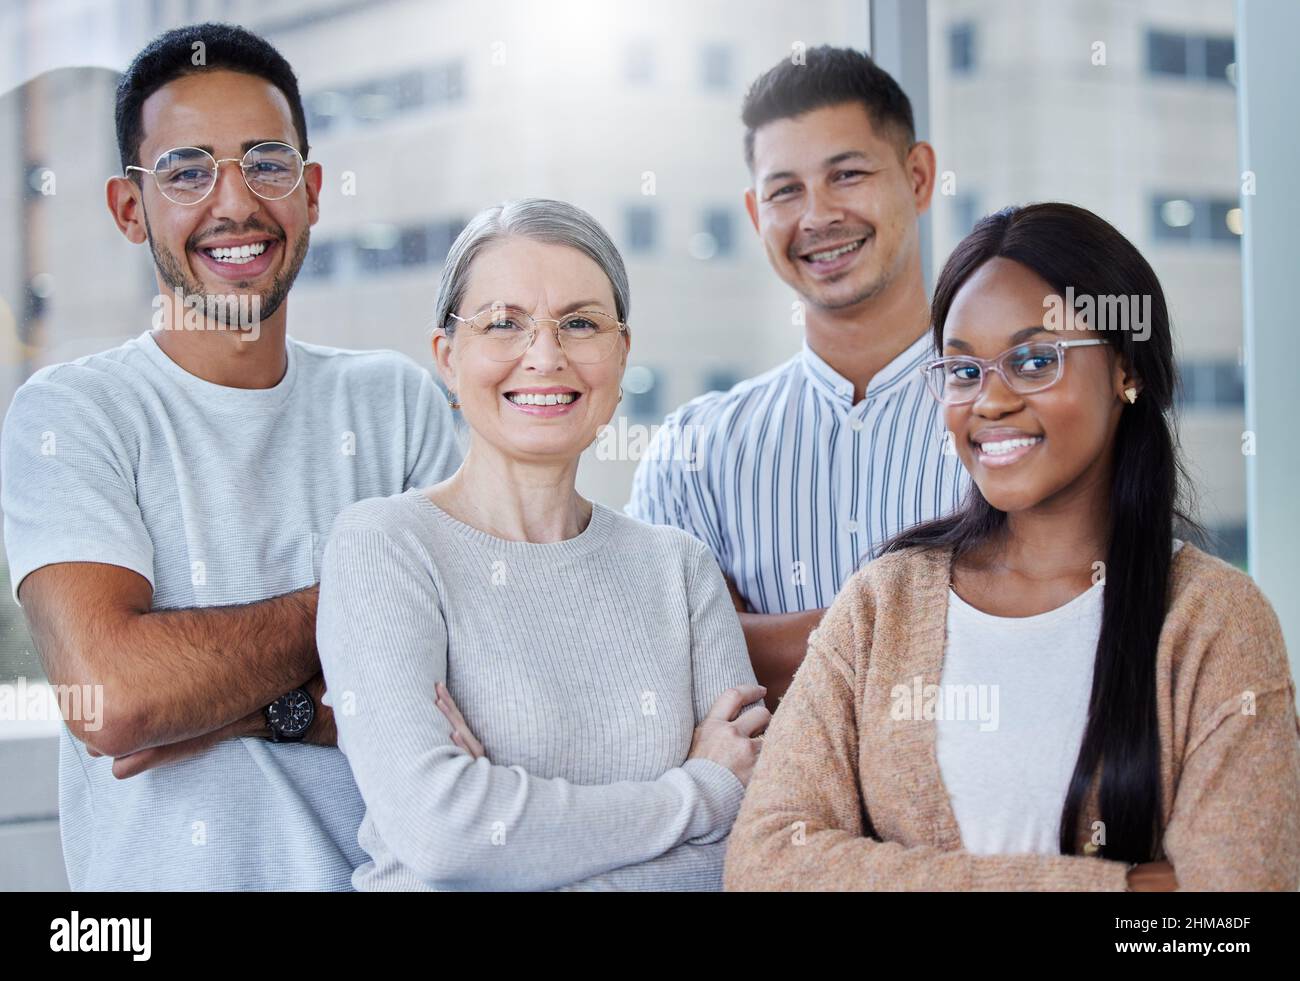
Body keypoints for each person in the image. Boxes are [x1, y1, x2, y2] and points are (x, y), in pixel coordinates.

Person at [0, 23, 460, 890]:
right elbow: (118, 698)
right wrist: (372, 597)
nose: (235, 202)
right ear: (130, 208)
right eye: (186, 171)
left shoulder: (394, 402)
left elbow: (480, 688)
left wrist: (227, 711)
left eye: (267, 163)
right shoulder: (71, 414)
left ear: (313, 191)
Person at [723, 203, 1300, 891]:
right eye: (963, 371)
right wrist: (1127, 885)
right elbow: (764, 863)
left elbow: (1223, 924)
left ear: (1125, 370)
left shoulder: (1216, 620)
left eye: (1033, 360)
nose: (989, 402)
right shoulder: (885, 602)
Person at [316, 198, 769, 891]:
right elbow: (441, 830)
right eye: (504, 324)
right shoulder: (386, 548)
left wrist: (501, 834)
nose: (546, 356)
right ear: (447, 356)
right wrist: (695, 794)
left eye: (580, 323)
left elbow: (739, 852)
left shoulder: (678, 568)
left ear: (621, 354)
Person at [628, 46, 966, 711]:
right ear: (757, 215)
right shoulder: (695, 449)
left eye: (846, 174)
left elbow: (1037, 641)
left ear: (919, 177)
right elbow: (662, 661)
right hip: (764, 818)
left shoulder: (1009, 416)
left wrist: (744, 637)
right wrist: (928, 630)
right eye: (786, 190)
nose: (817, 216)